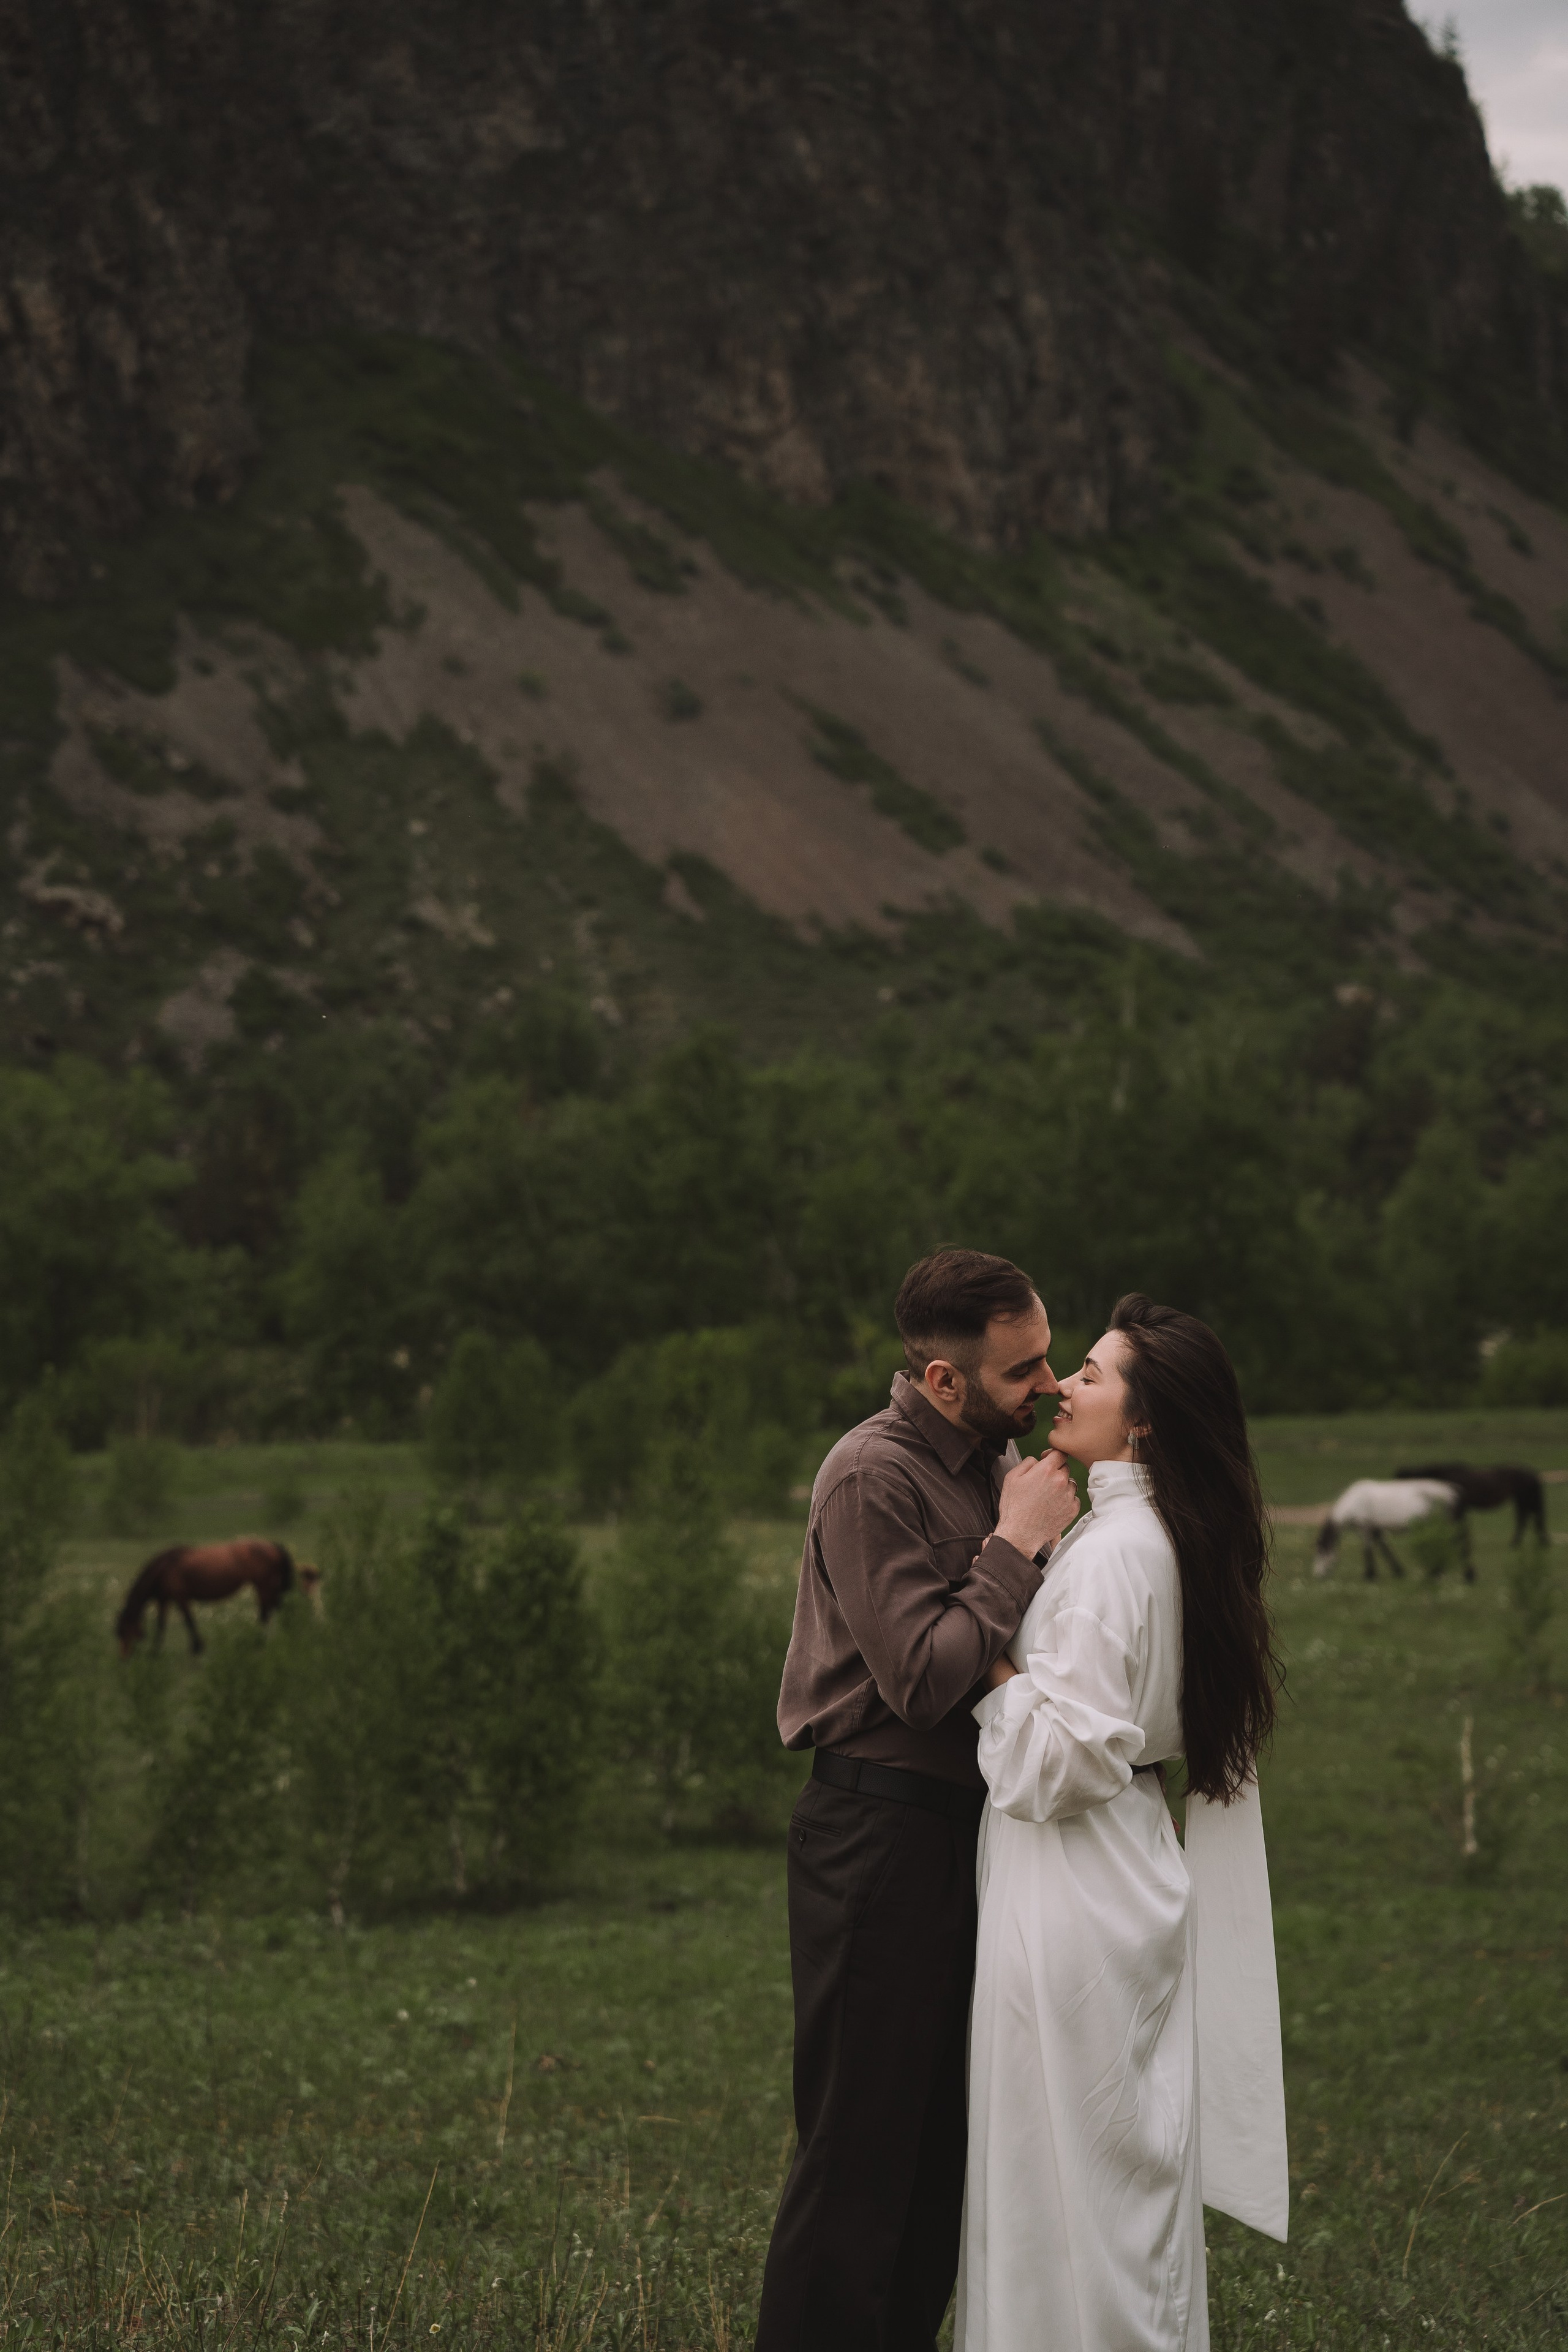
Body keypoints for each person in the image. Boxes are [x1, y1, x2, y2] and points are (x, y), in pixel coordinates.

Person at [755, 1249, 1082, 2352]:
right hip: (875, 1835)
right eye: (1021, 1370)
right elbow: (924, 1675)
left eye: (1048, 1355)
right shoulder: (872, 1476)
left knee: (946, 2155)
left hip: (971, 1837)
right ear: (943, 1379)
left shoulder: (998, 1461)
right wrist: (1015, 1544)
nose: (1049, 1383)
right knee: (859, 2156)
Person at [957, 1294, 1289, 2352]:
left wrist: (989, 1650)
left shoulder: (1111, 1558)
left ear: (1143, 1422)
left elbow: (1055, 1762)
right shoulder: (1151, 1536)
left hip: (1074, 1887)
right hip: (1122, 1865)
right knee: (1103, 2182)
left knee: (1063, 2192)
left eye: (1091, 1375)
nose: (1060, 1385)